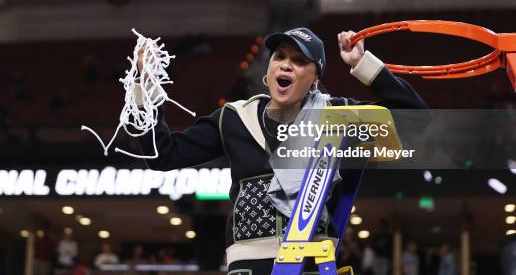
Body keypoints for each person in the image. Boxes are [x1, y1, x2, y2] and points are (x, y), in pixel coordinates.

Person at [134, 27, 428, 274]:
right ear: (269, 67)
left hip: (313, 263)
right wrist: (143, 88)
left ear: (315, 78)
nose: (286, 65)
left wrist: (363, 64)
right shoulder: (235, 117)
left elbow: (416, 119)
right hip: (247, 265)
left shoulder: (338, 115)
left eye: (299, 60)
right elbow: (162, 155)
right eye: (280, 57)